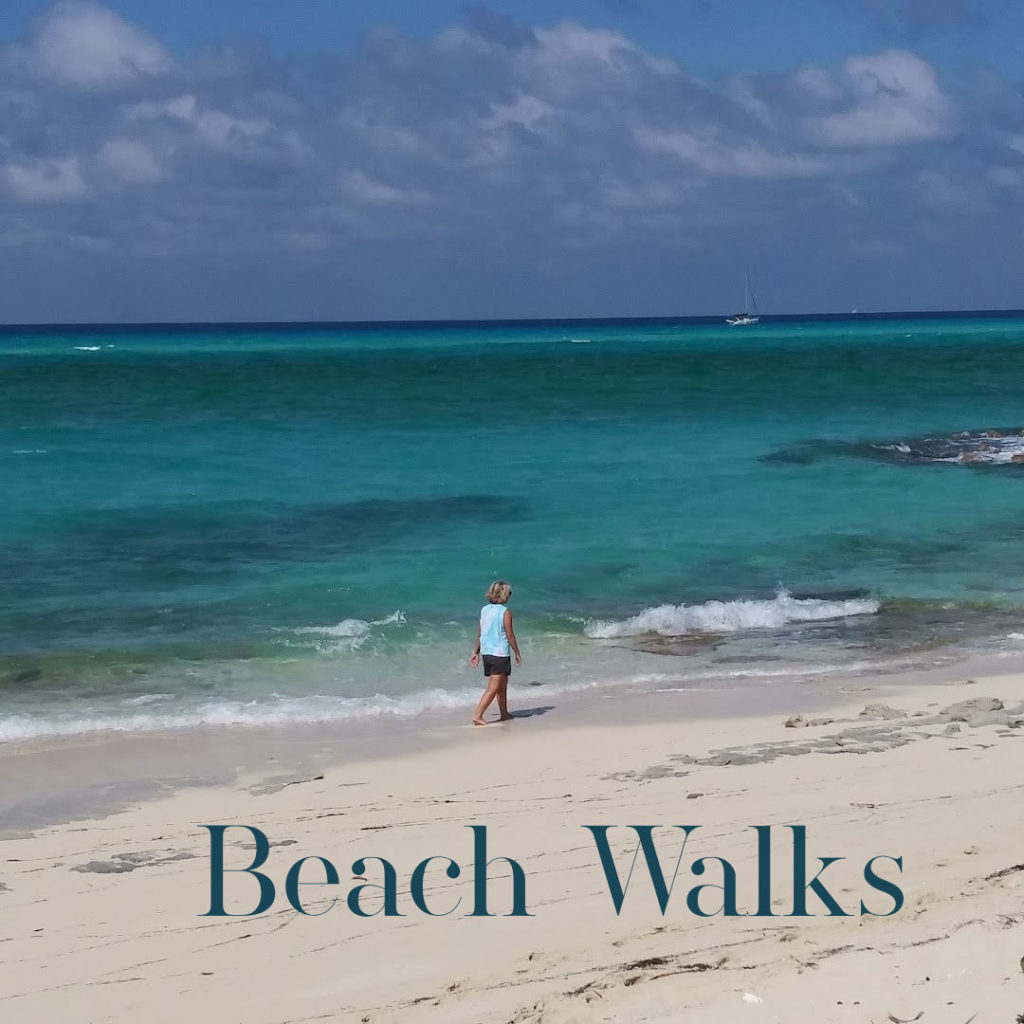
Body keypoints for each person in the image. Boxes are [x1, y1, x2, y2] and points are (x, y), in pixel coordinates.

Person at [469, 579, 522, 725]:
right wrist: (517, 652)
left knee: (502, 685)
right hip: (499, 654)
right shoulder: (505, 612)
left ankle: (504, 713)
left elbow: (480, 633)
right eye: (508, 593)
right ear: (503, 594)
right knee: (493, 688)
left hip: (487, 653)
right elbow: (510, 635)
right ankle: (478, 715)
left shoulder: (484, 610)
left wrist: (475, 652)